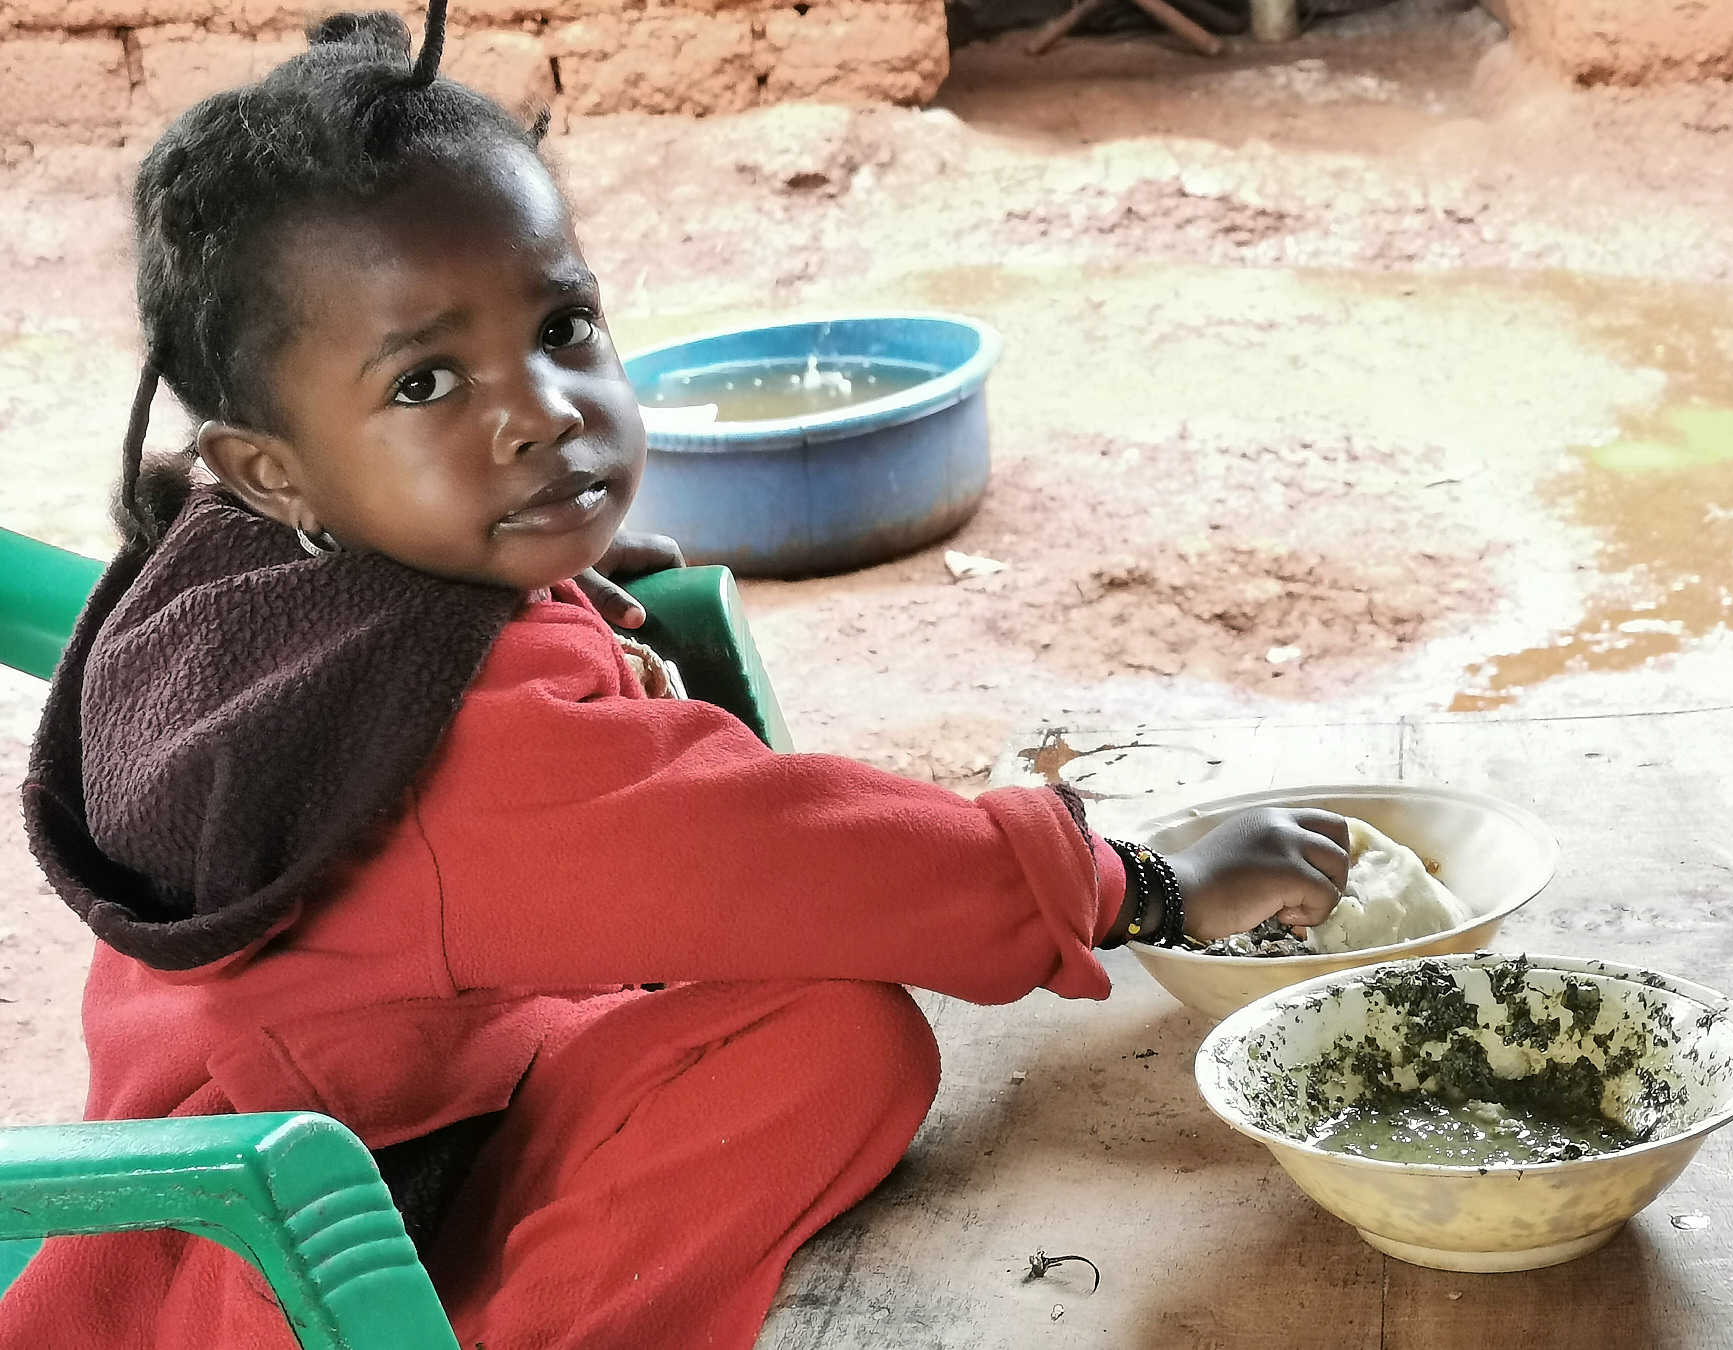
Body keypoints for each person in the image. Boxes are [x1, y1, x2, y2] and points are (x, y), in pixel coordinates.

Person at [3, 6, 1351, 1347]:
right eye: (425, 384)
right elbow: (791, 857)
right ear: (272, 471)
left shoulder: (248, 574)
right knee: (845, 1045)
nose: (541, 410)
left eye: (563, 323)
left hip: (342, 1138)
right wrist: (1140, 884)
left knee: (832, 1038)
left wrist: (546, 582)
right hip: (308, 1271)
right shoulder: (455, 740)